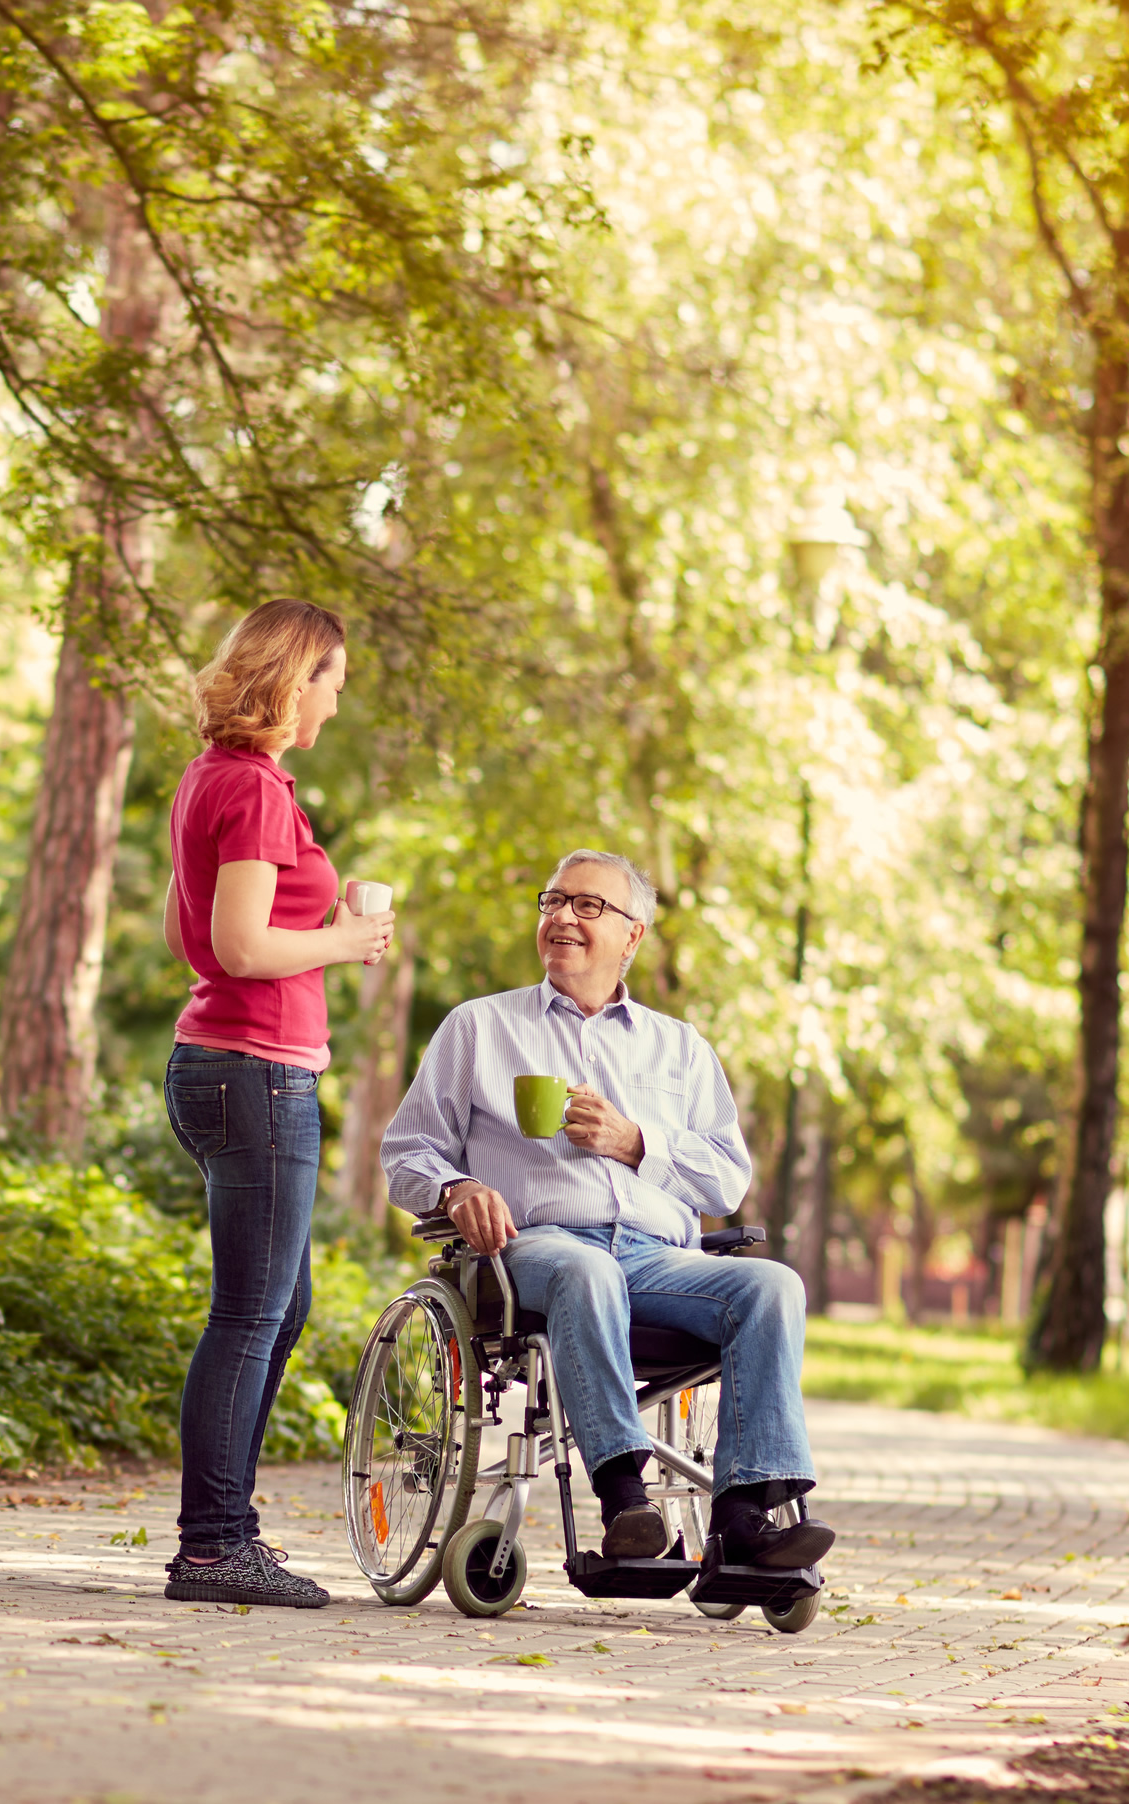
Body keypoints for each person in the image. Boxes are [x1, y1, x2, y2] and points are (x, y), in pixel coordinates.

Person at [378, 849, 837, 1571]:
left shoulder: (679, 1048)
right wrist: (454, 1189)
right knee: (585, 1268)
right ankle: (625, 1498)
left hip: (657, 1259)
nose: (562, 915)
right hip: (534, 1250)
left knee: (774, 1285)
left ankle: (744, 1521)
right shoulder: (480, 1028)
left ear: (633, 935)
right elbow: (405, 1153)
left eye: (587, 905)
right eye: (553, 901)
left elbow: (725, 1182)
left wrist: (636, 1143)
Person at [157, 599, 394, 1608]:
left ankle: (228, 1532)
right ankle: (212, 1548)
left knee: (273, 1308)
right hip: (255, 1074)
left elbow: (192, 935)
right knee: (251, 1315)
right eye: (332, 682)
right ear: (298, 680)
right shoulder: (253, 789)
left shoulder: (213, 777)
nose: (336, 703)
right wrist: (344, 941)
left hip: (221, 1063)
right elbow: (244, 946)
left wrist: (322, 926)